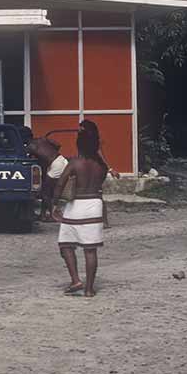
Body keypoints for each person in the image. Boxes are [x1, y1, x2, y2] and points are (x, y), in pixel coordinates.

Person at [52, 127, 108, 297]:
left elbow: (60, 183)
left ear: (79, 145)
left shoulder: (75, 163)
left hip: (76, 206)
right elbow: (101, 180)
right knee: (90, 250)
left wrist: (55, 204)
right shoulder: (101, 166)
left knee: (66, 244)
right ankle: (89, 289)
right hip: (95, 204)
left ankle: (75, 279)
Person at [28, 137, 67, 222]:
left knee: (45, 193)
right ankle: (43, 215)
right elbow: (58, 144)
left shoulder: (31, 147)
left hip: (56, 165)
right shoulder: (43, 139)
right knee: (47, 193)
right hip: (60, 159)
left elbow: (31, 160)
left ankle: (53, 215)